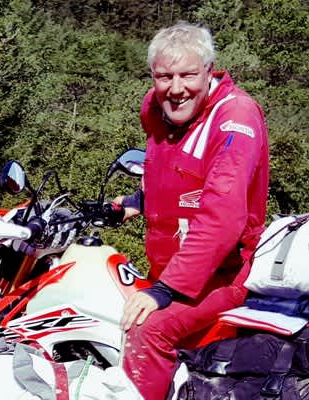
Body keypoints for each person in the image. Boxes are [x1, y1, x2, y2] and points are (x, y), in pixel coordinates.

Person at [116, 21, 269, 400]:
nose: (176, 88)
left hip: (226, 275)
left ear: (209, 70)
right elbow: (169, 170)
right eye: (164, 77)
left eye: (187, 75)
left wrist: (166, 290)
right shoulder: (156, 108)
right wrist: (136, 203)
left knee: (147, 330)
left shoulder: (235, 118)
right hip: (173, 269)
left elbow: (222, 215)